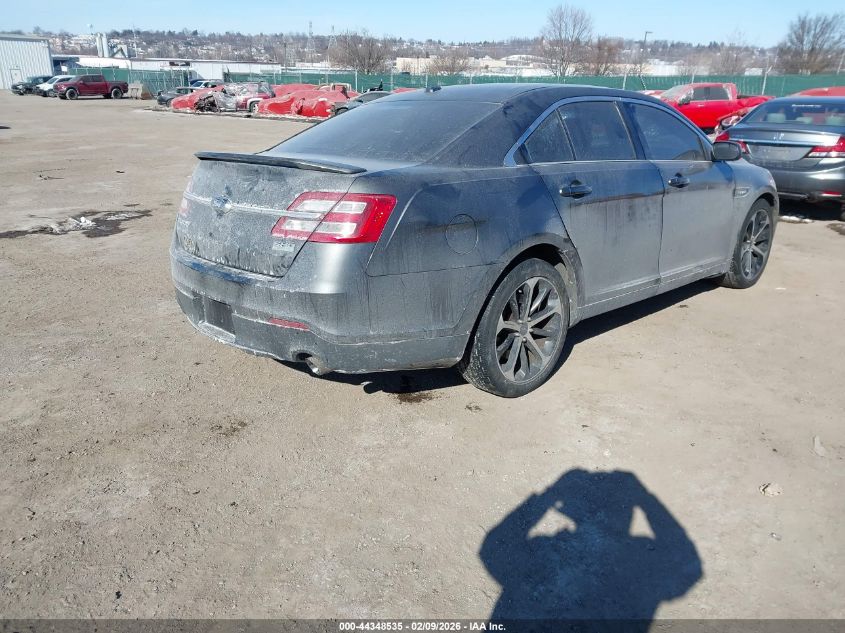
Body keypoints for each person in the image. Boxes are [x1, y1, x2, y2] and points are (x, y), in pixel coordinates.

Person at [480, 469, 702, 630]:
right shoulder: (638, 556)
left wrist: (547, 497)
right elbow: (687, 566)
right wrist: (645, 498)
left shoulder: (540, 556)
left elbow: (491, 548)